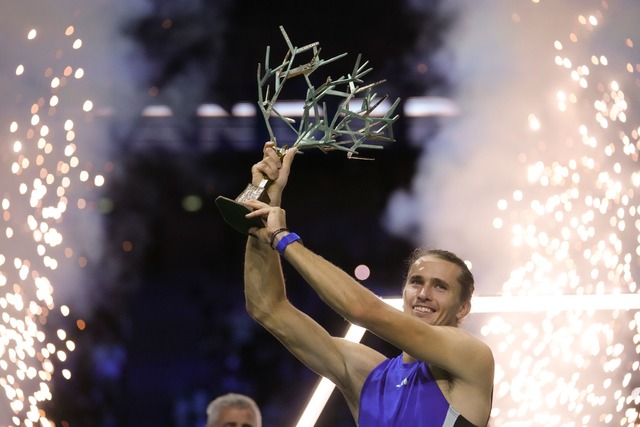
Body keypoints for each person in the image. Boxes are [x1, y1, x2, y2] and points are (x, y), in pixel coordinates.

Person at [241, 141, 495, 426]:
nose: (424, 294)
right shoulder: (368, 373)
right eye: (416, 282)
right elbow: (267, 308)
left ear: (463, 309)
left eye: (440, 286)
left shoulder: (472, 358)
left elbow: (361, 310)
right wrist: (265, 205)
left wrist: (283, 238)